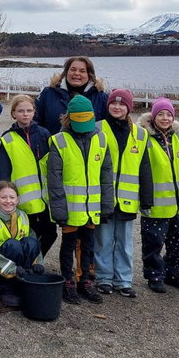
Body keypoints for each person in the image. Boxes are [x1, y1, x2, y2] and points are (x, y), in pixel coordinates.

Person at [47, 95, 114, 305]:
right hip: (69, 209)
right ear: (68, 119)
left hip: (91, 209)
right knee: (68, 246)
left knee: (88, 246)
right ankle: (68, 282)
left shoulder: (101, 139)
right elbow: (54, 179)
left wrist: (106, 206)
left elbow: (106, 175)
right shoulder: (59, 141)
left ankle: (84, 281)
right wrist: (59, 211)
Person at [93, 89, 152, 298]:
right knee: (103, 240)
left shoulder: (141, 134)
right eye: (113, 103)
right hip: (104, 197)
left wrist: (147, 199)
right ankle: (103, 278)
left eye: (122, 104)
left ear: (129, 108)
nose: (117, 107)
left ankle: (123, 280)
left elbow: (145, 168)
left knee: (125, 243)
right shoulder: (97, 128)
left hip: (128, 198)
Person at [136, 97, 179, 293]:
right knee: (153, 242)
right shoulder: (144, 138)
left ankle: (175, 274)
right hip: (156, 203)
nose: (165, 118)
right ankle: (154, 276)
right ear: (153, 116)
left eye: (168, 114)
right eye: (160, 114)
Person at [0, 94, 55, 256]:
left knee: (51, 233)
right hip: (22, 201)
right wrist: (6, 196)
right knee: (28, 235)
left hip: (44, 199)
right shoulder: (8, 139)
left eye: (29, 110)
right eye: (20, 111)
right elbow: (4, 172)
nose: (25, 114)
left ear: (34, 112)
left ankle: (35, 261)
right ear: (13, 113)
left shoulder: (44, 134)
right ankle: (28, 265)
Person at [0, 181, 44, 308]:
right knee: (13, 245)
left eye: (12, 197)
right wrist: (12, 268)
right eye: (3, 197)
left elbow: (33, 240)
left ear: (17, 200)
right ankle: (5, 289)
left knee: (31, 242)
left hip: (15, 267)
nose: (8, 201)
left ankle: (24, 282)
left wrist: (38, 264)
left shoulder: (23, 216)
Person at [34, 56, 108, 135]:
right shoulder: (48, 93)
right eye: (73, 69)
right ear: (66, 72)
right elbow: (34, 121)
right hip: (53, 145)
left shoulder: (101, 97)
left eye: (82, 71)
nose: (76, 73)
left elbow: (108, 127)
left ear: (89, 75)